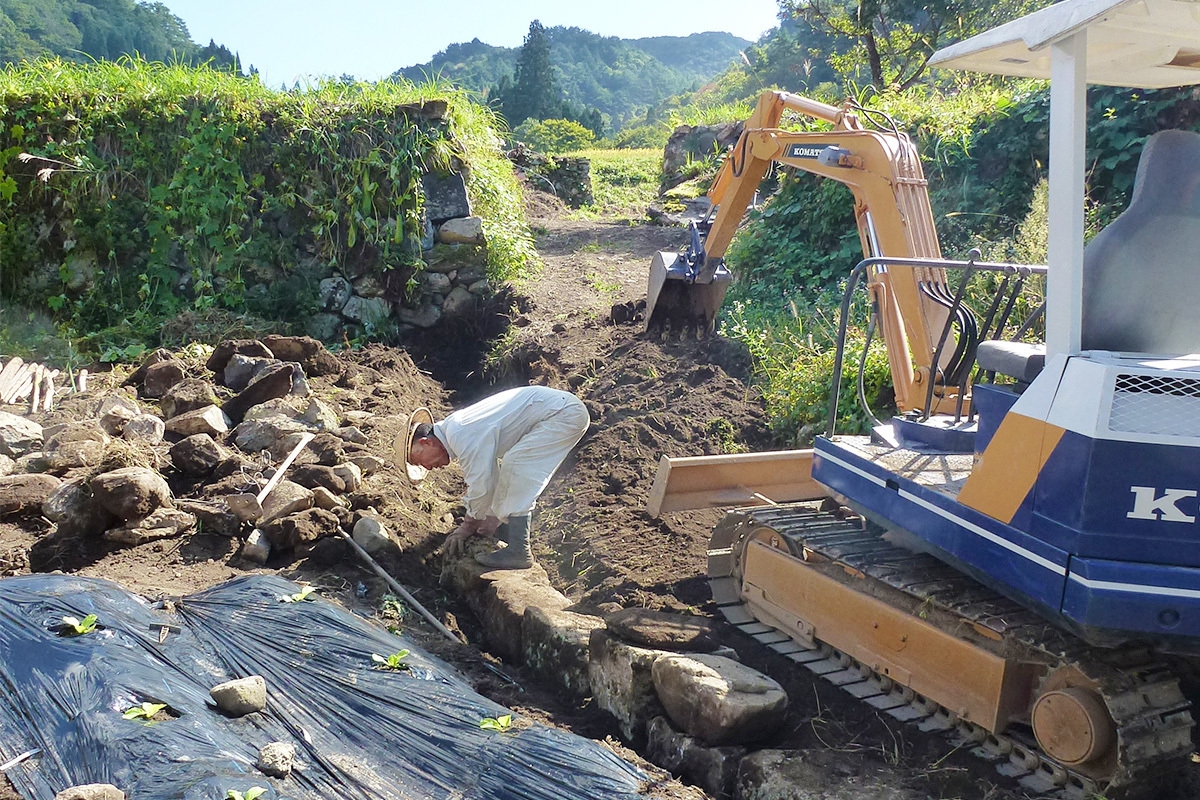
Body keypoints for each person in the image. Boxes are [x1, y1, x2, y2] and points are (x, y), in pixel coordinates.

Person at [401, 385, 590, 569]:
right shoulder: (456, 429)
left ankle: (519, 551)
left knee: (517, 465)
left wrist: (468, 526)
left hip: (562, 414)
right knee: (514, 465)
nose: (426, 467)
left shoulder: (460, 433)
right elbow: (491, 478)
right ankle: (514, 544)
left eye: (418, 460)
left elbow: (482, 485)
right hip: (562, 411)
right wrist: (491, 517)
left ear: (426, 442)